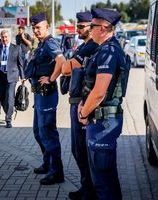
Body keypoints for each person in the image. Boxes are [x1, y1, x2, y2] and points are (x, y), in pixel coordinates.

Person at [78, 8, 126, 200]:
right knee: (103, 178)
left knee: (104, 182)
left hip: (103, 123)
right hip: (100, 122)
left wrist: (83, 114)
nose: (90, 29)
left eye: (93, 26)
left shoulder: (109, 51)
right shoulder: (104, 49)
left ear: (104, 28)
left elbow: (99, 92)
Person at [62, 11, 99, 200]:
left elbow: (66, 68)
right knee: (78, 150)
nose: (78, 29)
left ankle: (90, 191)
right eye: (77, 26)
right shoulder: (83, 46)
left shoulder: (90, 47)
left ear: (92, 28)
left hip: (82, 104)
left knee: (82, 150)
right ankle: (87, 188)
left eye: (82, 26)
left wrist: (66, 64)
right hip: (76, 102)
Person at [27, 13, 66, 185]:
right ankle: (47, 163)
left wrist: (51, 78)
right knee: (38, 131)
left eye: (38, 27)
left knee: (48, 132)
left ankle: (56, 172)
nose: (35, 30)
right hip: (39, 94)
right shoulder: (41, 44)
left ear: (47, 27)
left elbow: (61, 61)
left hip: (47, 94)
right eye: (34, 28)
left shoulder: (50, 42)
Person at [0, 30, 25, 128]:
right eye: (2, 37)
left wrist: (22, 76)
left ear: (9, 37)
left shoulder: (16, 48)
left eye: (6, 37)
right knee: (1, 96)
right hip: (0, 76)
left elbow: (20, 63)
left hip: (12, 76)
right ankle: (10, 109)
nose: (4, 39)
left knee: (9, 96)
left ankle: (8, 119)